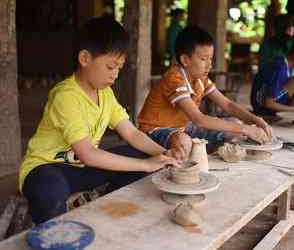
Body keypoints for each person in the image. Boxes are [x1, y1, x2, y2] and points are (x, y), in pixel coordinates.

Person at [19, 16, 180, 224]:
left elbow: (132, 133)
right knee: (49, 188)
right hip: (47, 168)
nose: (115, 75)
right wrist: (145, 165)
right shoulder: (65, 96)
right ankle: (56, 237)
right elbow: (87, 154)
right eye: (110, 67)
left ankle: (104, 213)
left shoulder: (105, 94)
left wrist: (164, 155)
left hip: (81, 169)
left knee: (141, 154)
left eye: (119, 68)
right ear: (85, 58)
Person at [138, 26, 273, 156]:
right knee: (183, 141)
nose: (209, 64)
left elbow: (228, 105)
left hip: (183, 127)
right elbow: (199, 119)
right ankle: (193, 167)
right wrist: (247, 129)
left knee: (235, 126)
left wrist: (255, 120)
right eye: (203, 59)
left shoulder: (201, 78)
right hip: (155, 130)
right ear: (185, 60)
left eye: (210, 58)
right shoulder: (175, 79)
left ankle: (211, 160)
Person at [251, 36, 294, 115]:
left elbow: (283, 91)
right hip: (263, 109)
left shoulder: (288, 66)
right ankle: (292, 114)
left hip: (269, 104)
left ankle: (292, 113)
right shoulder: (279, 67)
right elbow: (268, 103)